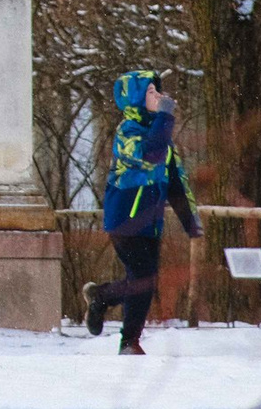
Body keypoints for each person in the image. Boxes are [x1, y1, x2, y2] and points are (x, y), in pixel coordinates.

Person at [84, 69, 201, 354]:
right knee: (143, 276)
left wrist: (190, 220)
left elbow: (175, 181)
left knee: (144, 280)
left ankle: (102, 297)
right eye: (150, 92)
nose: (159, 97)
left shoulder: (161, 135)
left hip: (151, 221)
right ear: (135, 99)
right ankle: (129, 342)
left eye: (157, 91)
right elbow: (149, 156)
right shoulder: (128, 131)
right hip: (125, 218)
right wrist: (165, 116)